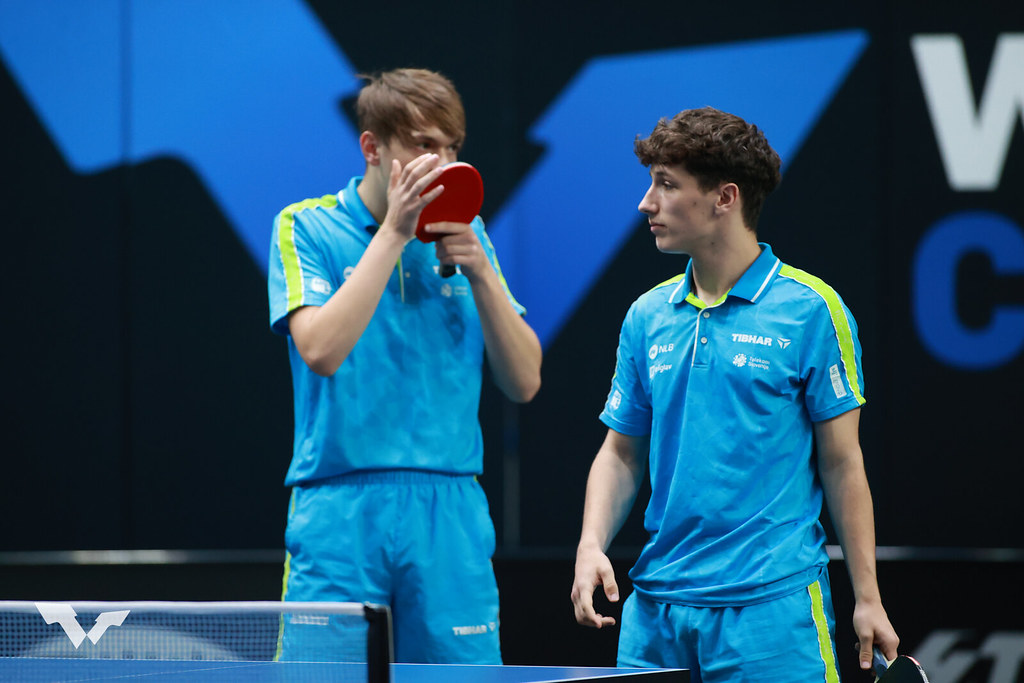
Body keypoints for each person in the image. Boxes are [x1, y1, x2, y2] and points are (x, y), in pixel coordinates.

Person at [570, 107, 898, 681]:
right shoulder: (647, 315)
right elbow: (620, 452)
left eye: (666, 185)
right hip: (656, 615)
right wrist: (590, 543)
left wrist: (867, 597)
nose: (646, 203)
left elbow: (843, 463)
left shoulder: (813, 310)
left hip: (772, 614)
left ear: (725, 198)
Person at [267, 68, 542, 664]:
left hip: (450, 509)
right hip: (339, 508)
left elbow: (524, 381)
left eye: (452, 147)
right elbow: (320, 351)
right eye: (423, 144)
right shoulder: (306, 226)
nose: (443, 162)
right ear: (372, 147)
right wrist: (393, 233)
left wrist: (482, 273)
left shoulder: (469, 236)